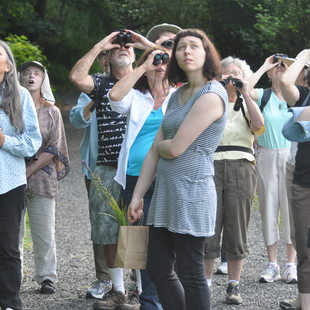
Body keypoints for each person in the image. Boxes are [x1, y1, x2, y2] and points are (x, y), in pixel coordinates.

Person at [127, 29, 227, 310]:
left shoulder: (213, 93)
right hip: (165, 194)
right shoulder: (177, 95)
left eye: (194, 46)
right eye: (182, 47)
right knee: (157, 267)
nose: (187, 51)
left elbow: (173, 149)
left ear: (207, 54)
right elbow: (154, 151)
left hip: (192, 192)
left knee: (190, 271)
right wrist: (137, 196)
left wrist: (162, 146)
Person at [69, 30, 153, 308]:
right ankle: (118, 290)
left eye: (128, 48)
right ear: (107, 56)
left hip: (136, 166)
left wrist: (145, 45)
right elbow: (76, 78)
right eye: (118, 47)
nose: (124, 49)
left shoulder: (146, 80)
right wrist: (100, 44)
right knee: (107, 229)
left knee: (135, 229)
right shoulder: (100, 83)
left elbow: (171, 65)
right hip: (105, 166)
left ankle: (140, 290)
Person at [106, 46, 176, 310]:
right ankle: (148, 300)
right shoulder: (136, 97)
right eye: (155, 62)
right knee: (138, 243)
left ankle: (163, 298)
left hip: (166, 176)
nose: (159, 66)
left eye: (164, 63)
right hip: (133, 178)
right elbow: (114, 95)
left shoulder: (180, 96)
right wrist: (143, 66)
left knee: (164, 242)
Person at [204, 56, 264, 304]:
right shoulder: (212, 102)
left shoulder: (248, 102)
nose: (231, 77)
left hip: (241, 165)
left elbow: (259, 126)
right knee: (209, 225)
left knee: (237, 226)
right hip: (212, 165)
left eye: (236, 73)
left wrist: (245, 93)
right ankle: (204, 283)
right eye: (226, 74)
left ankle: (233, 285)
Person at [18, 61, 69, 294]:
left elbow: (54, 148)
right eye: (27, 73)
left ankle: (47, 277)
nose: (31, 76)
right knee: (10, 231)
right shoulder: (10, 108)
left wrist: (28, 170)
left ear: (42, 80)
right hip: (11, 177)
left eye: (36, 73)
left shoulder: (52, 111)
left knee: (44, 230)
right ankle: (11, 276)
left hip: (42, 177)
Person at [247, 54, 297, 284]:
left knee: (290, 210)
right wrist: (264, 65)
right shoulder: (263, 95)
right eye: (275, 67)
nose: (279, 69)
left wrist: (291, 68)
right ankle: (272, 263)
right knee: (268, 206)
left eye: (283, 67)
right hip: (266, 153)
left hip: (290, 155)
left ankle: (290, 264)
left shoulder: (295, 96)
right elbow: (245, 89)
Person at [0, 40, 41, 310]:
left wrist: (4, 140)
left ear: (7, 65)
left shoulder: (20, 96)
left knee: (7, 248)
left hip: (8, 183)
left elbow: (32, 142)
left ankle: (10, 302)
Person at [279, 48, 310, 310]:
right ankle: (304, 300)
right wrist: (304, 55)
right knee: (304, 244)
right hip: (304, 183)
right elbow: (285, 82)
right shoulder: (305, 97)